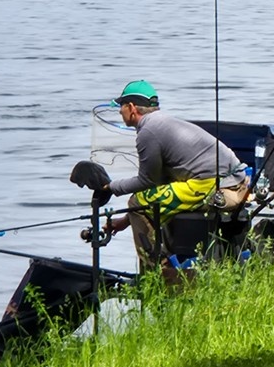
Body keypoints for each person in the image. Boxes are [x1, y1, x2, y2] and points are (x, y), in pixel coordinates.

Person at [103, 80, 250, 272]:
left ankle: (157, 273)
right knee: (147, 200)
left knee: (138, 202)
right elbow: (159, 182)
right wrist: (124, 222)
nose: (119, 112)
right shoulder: (163, 123)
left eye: (121, 107)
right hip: (235, 182)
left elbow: (147, 181)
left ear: (131, 108)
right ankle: (174, 264)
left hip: (214, 186)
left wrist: (110, 187)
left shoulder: (147, 132)